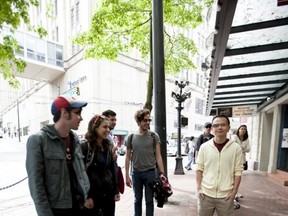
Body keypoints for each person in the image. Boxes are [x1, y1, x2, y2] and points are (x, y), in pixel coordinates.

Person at [26, 95, 90, 216]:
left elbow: (81, 172)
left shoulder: (75, 139)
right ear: (64, 112)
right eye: (77, 113)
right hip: (57, 210)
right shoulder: (38, 140)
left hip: (78, 205)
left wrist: (87, 196)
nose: (81, 118)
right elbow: (36, 184)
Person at [195, 114, 243, 216]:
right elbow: (199, 169)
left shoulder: (236, 148)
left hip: (226, 196)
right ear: (212, 129)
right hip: (205, 195)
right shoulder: (204, 147)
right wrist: (199, 188)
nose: (219, 127)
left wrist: (234, 192)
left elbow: (238, 172)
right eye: (216, 125)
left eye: (223, 125)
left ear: (228, 128)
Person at [125, 108, 165, 216]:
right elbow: (128, 157)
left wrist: (162, 174)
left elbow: (158, 156)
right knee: (137, 200)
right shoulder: (131, 137)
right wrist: (127, 176)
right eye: (145, 120)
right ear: (138, 122)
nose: (147, 123)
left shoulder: (154, 136)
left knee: (149, 201)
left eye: (149, 120)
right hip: (136, 174)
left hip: (150, 173)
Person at [82, 114, 120, 216]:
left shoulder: (107, 145)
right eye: (104, 127)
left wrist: (116, 189)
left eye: (109, 127)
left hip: (108, 194)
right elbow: (80, 174)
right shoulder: (86, 146)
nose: (108, 130)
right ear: (95, 128)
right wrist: (87, 196)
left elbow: (111, 169)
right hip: (93, 196)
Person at [231, 124, 250, 200]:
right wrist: (243, 147)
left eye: (244, 129)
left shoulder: (246, 139)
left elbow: (248, 149)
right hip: (233, 159)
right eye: (241, 129)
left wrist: (239, 147)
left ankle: (236, 192)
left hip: (242, 160)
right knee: (232, 177)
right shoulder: (234, 137)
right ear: (238, 130)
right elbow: (233, 147)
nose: (243, 130)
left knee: (238, 177)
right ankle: (232, 192)